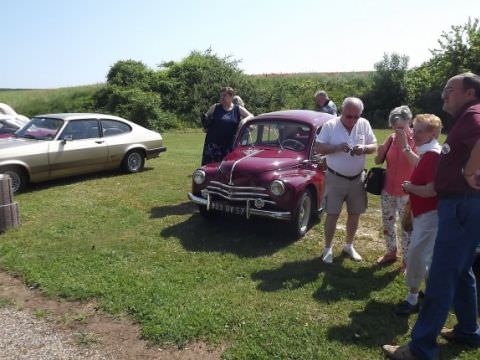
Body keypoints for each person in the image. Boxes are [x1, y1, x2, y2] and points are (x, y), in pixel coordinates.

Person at [383, 72, 480, 360]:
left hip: (461, 204)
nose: (444, 95)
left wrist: (469, 171)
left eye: (450, 90)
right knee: (462, 272)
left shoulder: (473, 115)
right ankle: (467, 330)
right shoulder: (467, 116)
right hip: (463, 204)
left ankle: (421, 347)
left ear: (470, 93)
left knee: (441, 274)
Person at [315, 97, 377, 263]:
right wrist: (336, 148)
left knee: (354, 214)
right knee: (332, 214)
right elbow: (319, 147)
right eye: (349, 116)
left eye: (356, 116)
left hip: (357, 178)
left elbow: (374, 146)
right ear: (342, 112)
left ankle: (349, 245)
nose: (353, 120)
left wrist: (364, 148)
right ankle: (327, 248)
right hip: (335, 178)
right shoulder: (331, 125)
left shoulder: (364, 124)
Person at [394, 114, 442, 316]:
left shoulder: (433, 155)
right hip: (425, 212)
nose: (415, 134)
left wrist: (410, 187)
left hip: (429, 214)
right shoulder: (428, 152)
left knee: (416, 255)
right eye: (414, 129)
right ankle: (430, 295)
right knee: (426, 255)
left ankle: (413, 299)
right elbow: (419, 164)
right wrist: (405, 146)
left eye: (421, 130)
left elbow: (431, 190)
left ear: (434, 133)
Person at [375, 106, 416, 267]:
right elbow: (379, 161)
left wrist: (405, 144)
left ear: (409, 122)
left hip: (407, 191)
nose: (397, 130)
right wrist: (379, 154)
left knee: (406, 227)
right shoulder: (391, 138)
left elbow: (418, 163)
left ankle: (407, 260)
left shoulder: (416, 139)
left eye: (401, 127)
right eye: (394, 126)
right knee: (387, 222)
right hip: (388, 189)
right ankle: (391, 252)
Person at [201, 87, 253, 165]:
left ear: (231, 97)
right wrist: (206, 125)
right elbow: (206, 118)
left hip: (229, 145)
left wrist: (243, 121)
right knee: (210, 169)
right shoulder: (215, 107)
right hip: (213, 145)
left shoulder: (237, 109)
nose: (222, 97)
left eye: (224, 95)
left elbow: (251, 116)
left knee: (226, 168)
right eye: (221, 95)